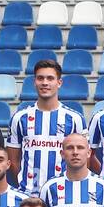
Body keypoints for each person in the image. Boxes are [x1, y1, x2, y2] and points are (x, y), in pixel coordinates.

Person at [7, 58, 86, 196]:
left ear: (59, 82)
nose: (45, 83)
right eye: (40, 78)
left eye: (50, 78)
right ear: (34, 82)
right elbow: (13, 160)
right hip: (29, 194)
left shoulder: (75, 119)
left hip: (64, 193)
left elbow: (84, 158)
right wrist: (23, 183)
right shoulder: (20, 118)